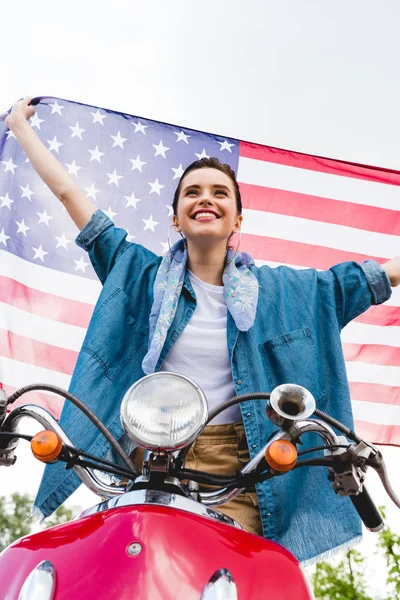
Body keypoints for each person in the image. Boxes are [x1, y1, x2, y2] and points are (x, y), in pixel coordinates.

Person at [5, 97, 400, 564]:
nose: (205, 199)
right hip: (144, 460)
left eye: (219, 192)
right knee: (116, 572)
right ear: (176, 217)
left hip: (235, 466)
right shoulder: (138, 275)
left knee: (226, 576)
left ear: (237, 219)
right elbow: (74, 198)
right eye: (192, 192)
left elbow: (362, 281)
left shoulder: (284, 291)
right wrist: (21, 130)